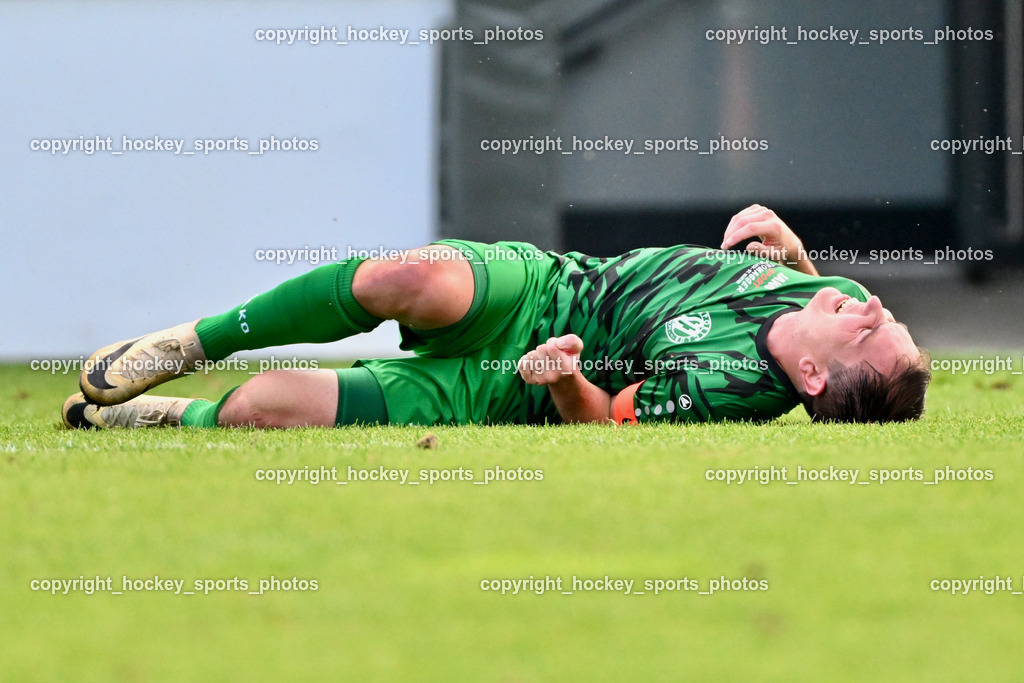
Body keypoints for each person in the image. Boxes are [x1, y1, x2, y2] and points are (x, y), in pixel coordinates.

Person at [62, 205, 929, 430]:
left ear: (811, 378)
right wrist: (789, 244)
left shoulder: (726, 390)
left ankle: (180, 414)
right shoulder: (835, 301)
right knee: (415, 278)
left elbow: (603, 423)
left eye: (869, 330)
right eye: (886, 315)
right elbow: (824, 304)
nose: (871, 305)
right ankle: (188, 343)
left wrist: (564, 380)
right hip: (549, 285)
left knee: (264, 408)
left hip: (512, 385)